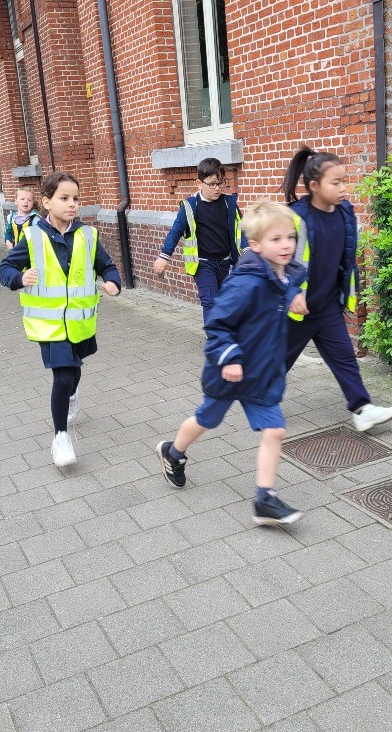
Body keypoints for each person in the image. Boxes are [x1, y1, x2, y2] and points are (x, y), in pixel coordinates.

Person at [157, 201, 307, 526]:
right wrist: (229, 357)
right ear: (255, 245)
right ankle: (173, 452)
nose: (286, 245)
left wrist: (295, 296)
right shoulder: (246, 282)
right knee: (207, 419)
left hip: (261, 374)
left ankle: (264, 499)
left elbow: (285, 292)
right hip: (229, 372)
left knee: (275, 430)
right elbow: (218, 324)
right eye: (276, 239)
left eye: (290, 237)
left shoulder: (286, 277)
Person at [0, 171, 121, 467]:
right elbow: (5, 268)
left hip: (80, 323)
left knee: (74, 372)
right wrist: (19, 278)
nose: (72, 204)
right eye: (64, 198)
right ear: (46, 202)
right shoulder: (32, 236)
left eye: (75, 198)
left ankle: (72, 394)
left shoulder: (88, 235)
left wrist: (112, 282)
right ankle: (61, 437)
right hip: (49, 325)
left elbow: (107, 266)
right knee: (63, 375)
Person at [283, 146, 392, 432]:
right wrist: (292, 293)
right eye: (336, 182)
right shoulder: (295, 217)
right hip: (297, 311)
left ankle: (361, 409)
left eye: (345, 180)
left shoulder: (345, 211)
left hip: (328, 305)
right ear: (314, 186)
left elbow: (344, 258)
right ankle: (259, 400)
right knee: (278, 362)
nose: (344, 187)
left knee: (344, 358)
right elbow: (276, 261)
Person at [153, 157, 243, 321]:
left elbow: (242, 228)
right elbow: (176, 231)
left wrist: (248, 249)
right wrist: (164, 256)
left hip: (226, 262)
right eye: (212, 184)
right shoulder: (190, 206)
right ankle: (214, 333)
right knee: (210, 302)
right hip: (203, 264)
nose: (217, 188)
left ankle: (225, 331)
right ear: (199, 183)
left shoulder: (228, 203)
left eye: (221, 183)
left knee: (226, 303)